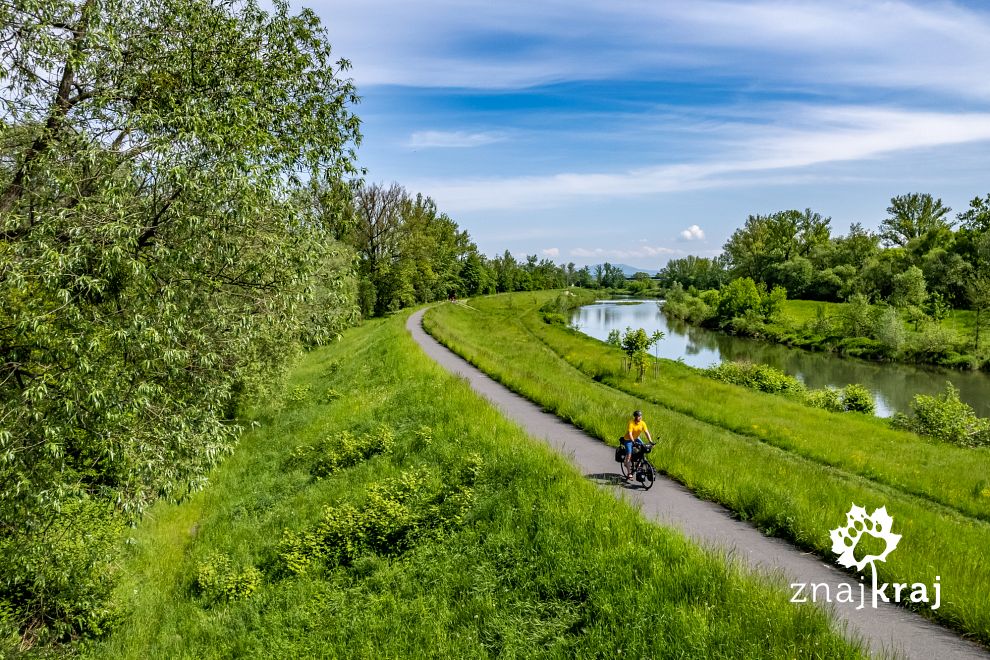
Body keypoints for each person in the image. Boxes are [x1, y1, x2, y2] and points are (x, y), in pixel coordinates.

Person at [622, 409, 652, 482]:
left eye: (641, 416)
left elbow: (646, 432)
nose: (640, 417)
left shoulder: (642, 423)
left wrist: (650, 441)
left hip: (636, 438)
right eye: (638, 416)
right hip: (628, 439)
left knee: (643, 448)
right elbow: (630, 434)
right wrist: (633, 442)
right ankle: (629, 473)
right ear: (635, 417)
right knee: (629, 454)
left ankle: (639, 463)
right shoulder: (631, 423)